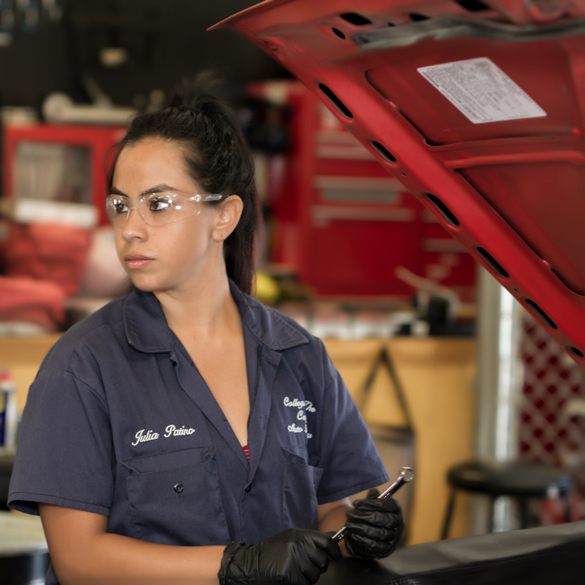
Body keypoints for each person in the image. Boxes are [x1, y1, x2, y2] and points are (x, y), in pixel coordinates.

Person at [8, 74, 404, 585]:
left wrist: (358, 531)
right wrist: (233, 566)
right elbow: (79, 560)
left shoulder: (300, 356)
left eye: (158, 203)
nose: (130, 227)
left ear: (225, 217)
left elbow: (332, 507)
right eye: (121, 204)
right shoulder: (82, 368)